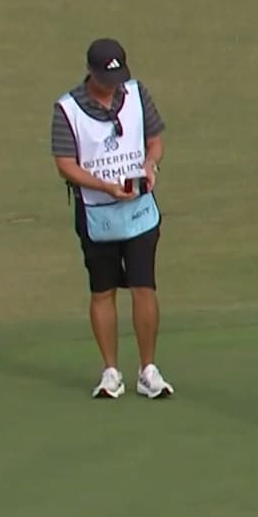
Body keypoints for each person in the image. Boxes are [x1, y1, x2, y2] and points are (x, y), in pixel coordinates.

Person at [51, 38, 174, 399]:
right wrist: (104, 186)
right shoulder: (68, 109)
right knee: (102, 291)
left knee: (143, 285)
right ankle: (110, 372)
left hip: (139, 209)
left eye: (118, 75)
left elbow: (155, 140)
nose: (114, 85)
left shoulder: (136, 94)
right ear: (90, 73)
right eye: (107, 78)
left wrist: (150, 166)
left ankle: (147, 370)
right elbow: (65, 165)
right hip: (96, 213)